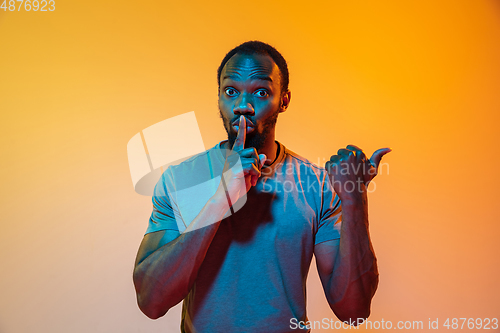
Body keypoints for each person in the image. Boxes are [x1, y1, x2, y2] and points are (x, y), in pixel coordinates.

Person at [133, 40, 391, 332]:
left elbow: (353, 311)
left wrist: (355, 199)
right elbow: (151, 302)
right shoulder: (180, 179)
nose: (242, 106)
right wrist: (220, 200)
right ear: (218, 97)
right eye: (231, 91)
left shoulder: (317, 186)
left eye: (260, 92)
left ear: (284, 100)